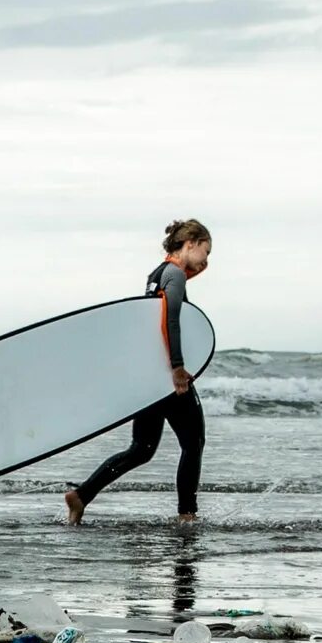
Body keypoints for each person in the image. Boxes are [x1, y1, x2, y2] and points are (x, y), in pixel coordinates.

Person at [65, 219, 211, 525]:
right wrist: (178, 368)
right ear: (191, 243)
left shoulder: (156, 274)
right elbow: (169, 321)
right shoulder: (174, 275)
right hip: (166, 377)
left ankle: (82, 495)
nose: (206, 260)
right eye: (205, 251)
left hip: (149, 377)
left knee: (141, 449)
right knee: (193, 442)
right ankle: (187, 514)